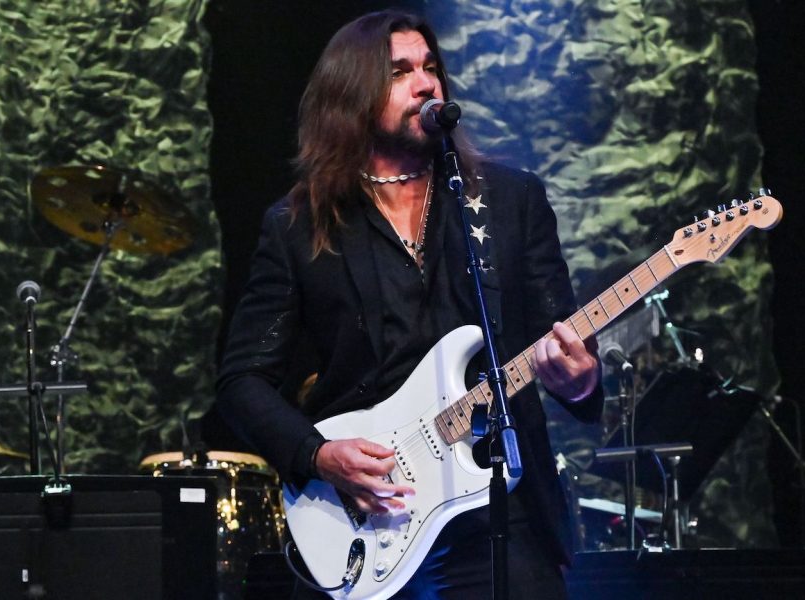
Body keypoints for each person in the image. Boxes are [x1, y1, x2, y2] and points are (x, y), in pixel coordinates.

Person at [216, 9, 603, 599]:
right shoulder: (300, 225)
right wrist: (318, 455)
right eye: (400, 72)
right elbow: (243, 380)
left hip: (497, 508)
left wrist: (577, 382)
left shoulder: (508, 201)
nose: (426, 83)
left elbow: (563, 341)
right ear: (353, 94)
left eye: (430, 68)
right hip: (367, 514)